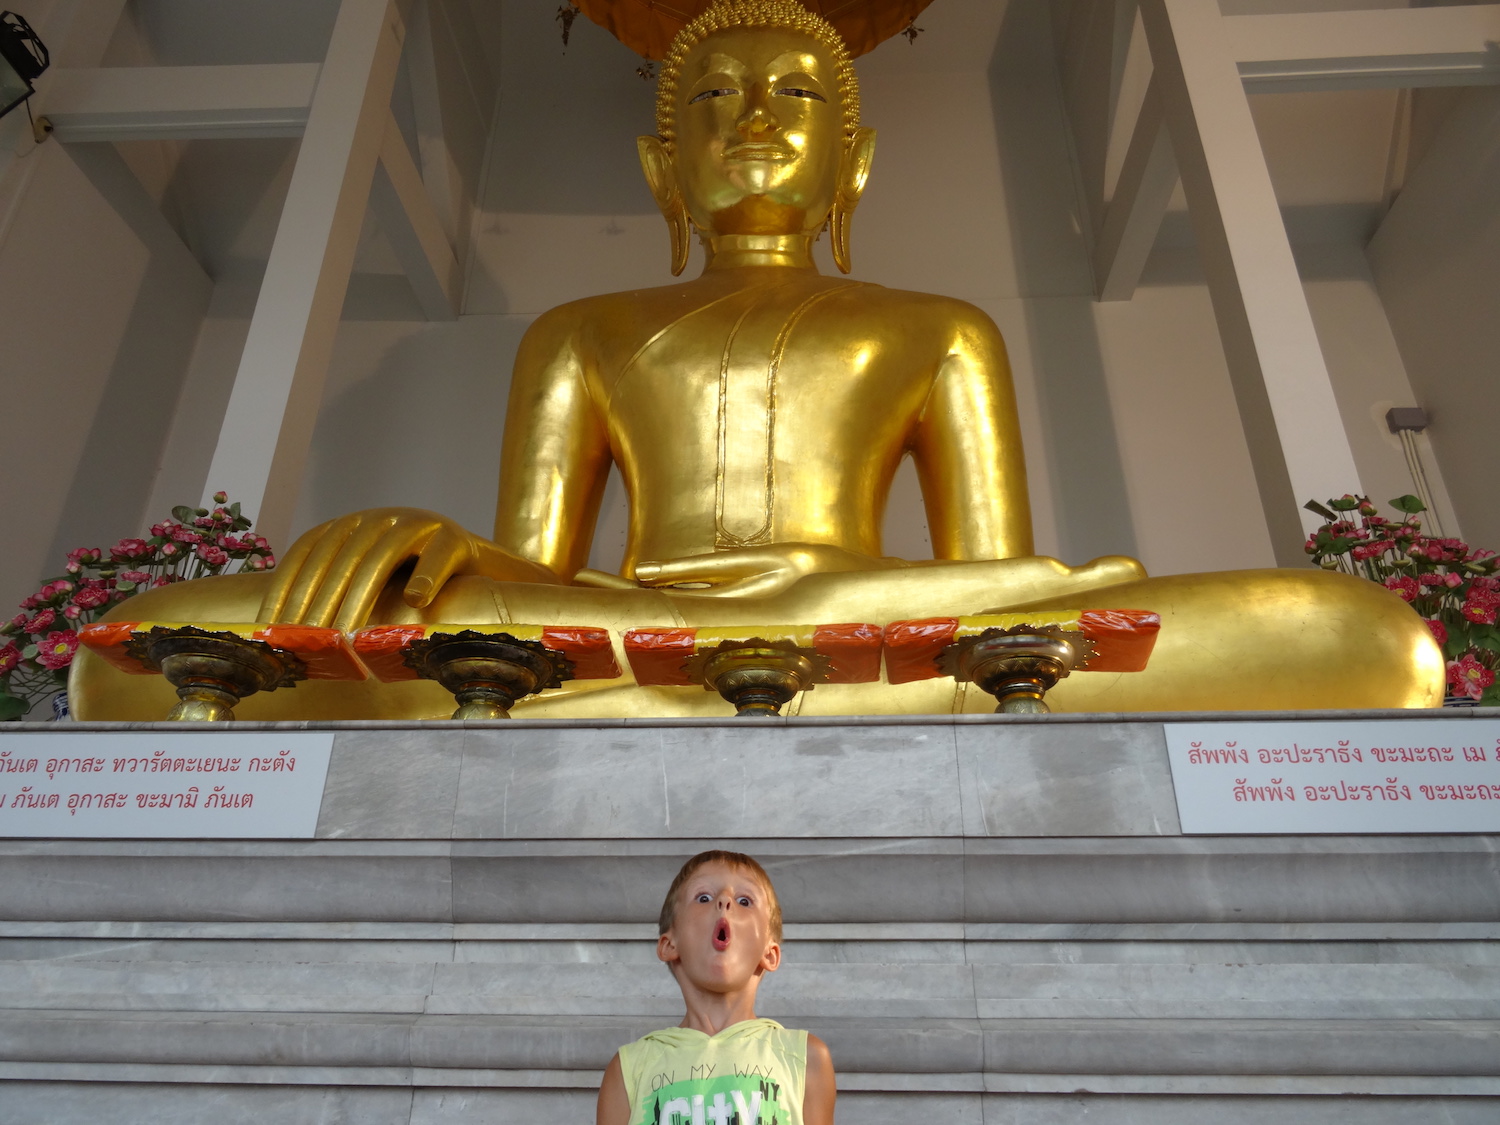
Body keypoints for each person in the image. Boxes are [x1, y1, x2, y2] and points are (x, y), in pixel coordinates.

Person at [69, 0, 1441, 719]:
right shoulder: (580, 331)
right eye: (713, 99)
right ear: (661, 164)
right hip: (619, 625)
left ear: (858, 158)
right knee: (142, 652)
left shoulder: (940, 328)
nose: (754, 121)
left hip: (874, 621)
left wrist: (862, 596)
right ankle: (715, 663)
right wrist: (440, 549)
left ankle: (722, 664)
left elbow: (999, 589)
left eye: (795, 94)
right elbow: (537, 576)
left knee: (1362, 637)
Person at [597, 850, 835, 1125]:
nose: (724, 901)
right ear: (669, 945)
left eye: (744, 901)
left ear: (769, 954)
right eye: (704, 898)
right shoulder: (628, 1070)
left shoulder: (805, 1058)